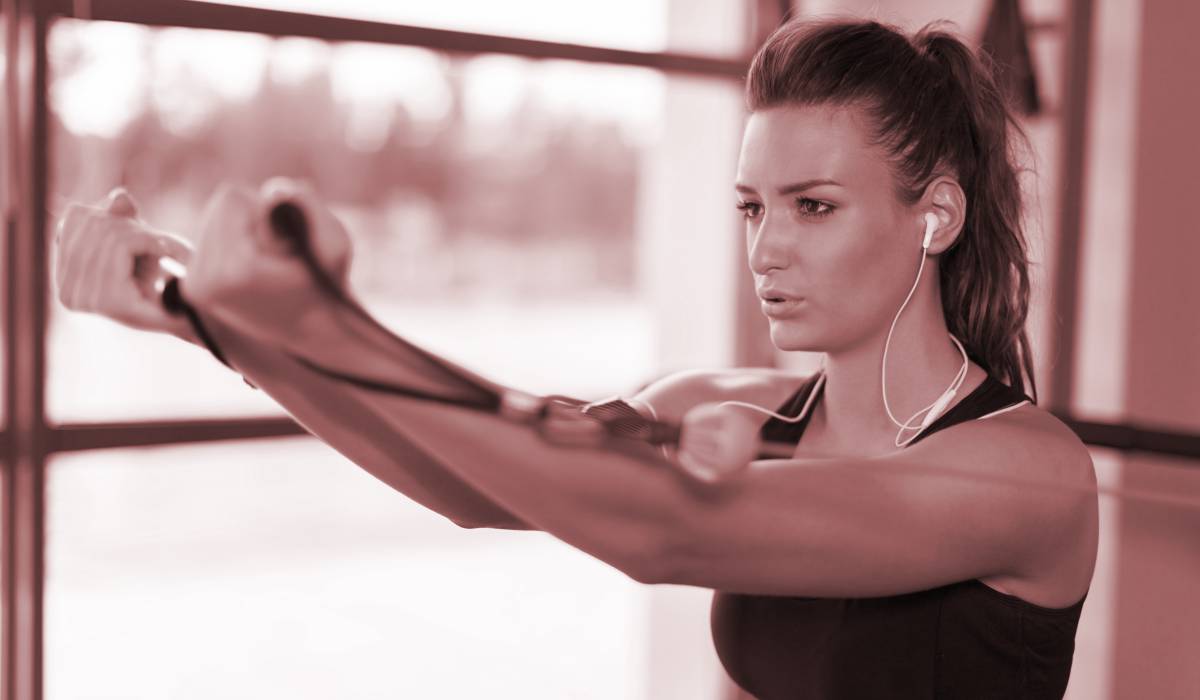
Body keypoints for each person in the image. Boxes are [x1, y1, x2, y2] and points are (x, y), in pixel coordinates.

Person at [54, 16, 1098, 700]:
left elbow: (661, 531)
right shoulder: (729, 402)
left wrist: (322, 321)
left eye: (813, 207)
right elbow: (482, 481)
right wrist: (222, 326)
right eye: (751, 208)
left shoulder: (1024, 473)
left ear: (936, 216)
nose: (767, 248)